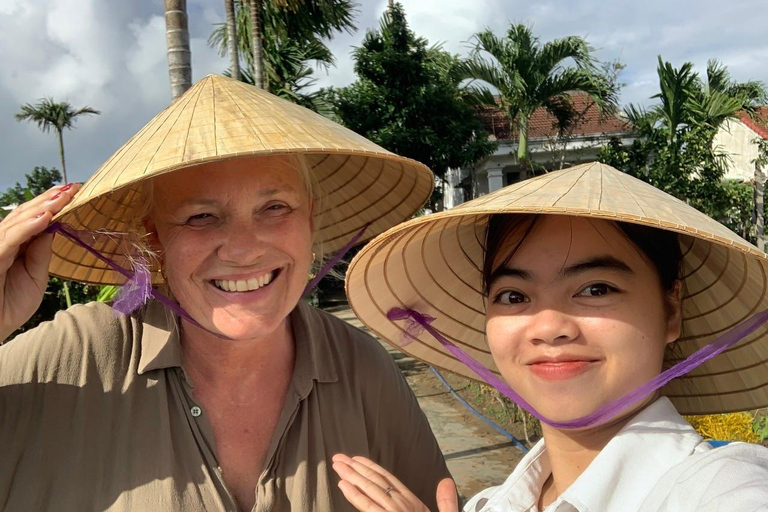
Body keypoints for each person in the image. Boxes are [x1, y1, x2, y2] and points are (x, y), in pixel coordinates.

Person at [0, 74, 449, 512]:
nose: (243, 249)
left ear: (309, 220)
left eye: (275, 208)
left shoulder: (361, 369)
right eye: (200, 217)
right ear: (155, 239)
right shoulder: (79, 356)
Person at [337, 162, 768, 511]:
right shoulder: (491, 504)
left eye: (596, 289)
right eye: (512, 295)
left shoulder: (723, 489)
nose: (547, 328)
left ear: (670, 310)